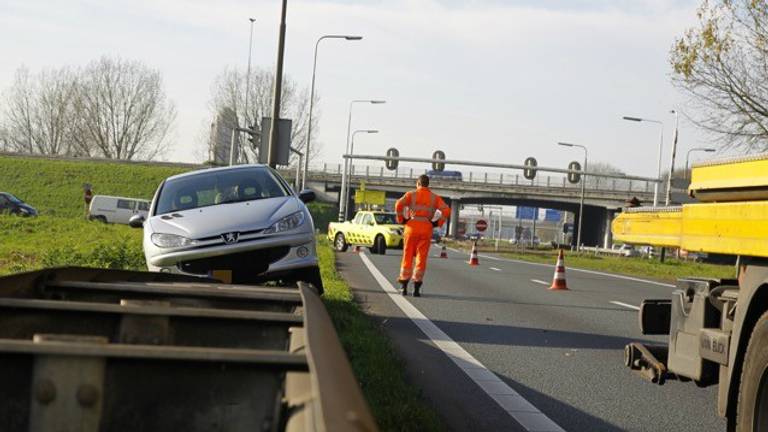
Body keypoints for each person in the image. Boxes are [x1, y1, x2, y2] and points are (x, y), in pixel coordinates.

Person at [395, 175, 450, 296]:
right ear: (427, 184)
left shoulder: (411, 195)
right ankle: (416, 287)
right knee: (421, 257)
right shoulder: (434, 198)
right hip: (426, 228)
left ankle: (403, 286)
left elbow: (398, 204)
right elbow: (446, 210)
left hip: (411, 227)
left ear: (417, 183)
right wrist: (437, 223)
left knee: (407, 255)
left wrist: (401, 219)